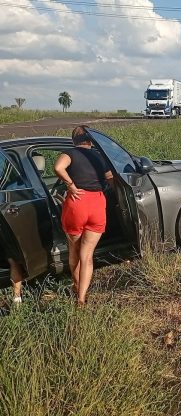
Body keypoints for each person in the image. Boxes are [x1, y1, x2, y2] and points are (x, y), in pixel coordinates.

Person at [54, 126, 113, 306]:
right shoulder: (99, 156)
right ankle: (81, 299)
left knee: (74, 250)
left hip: (77, 202)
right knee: (87, 255)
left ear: (74, 141)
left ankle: (76, 284)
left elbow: (58, 167)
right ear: (90, 141)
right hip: (97, 203)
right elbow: (111, 179)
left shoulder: (70, 153)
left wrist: (70, 185)